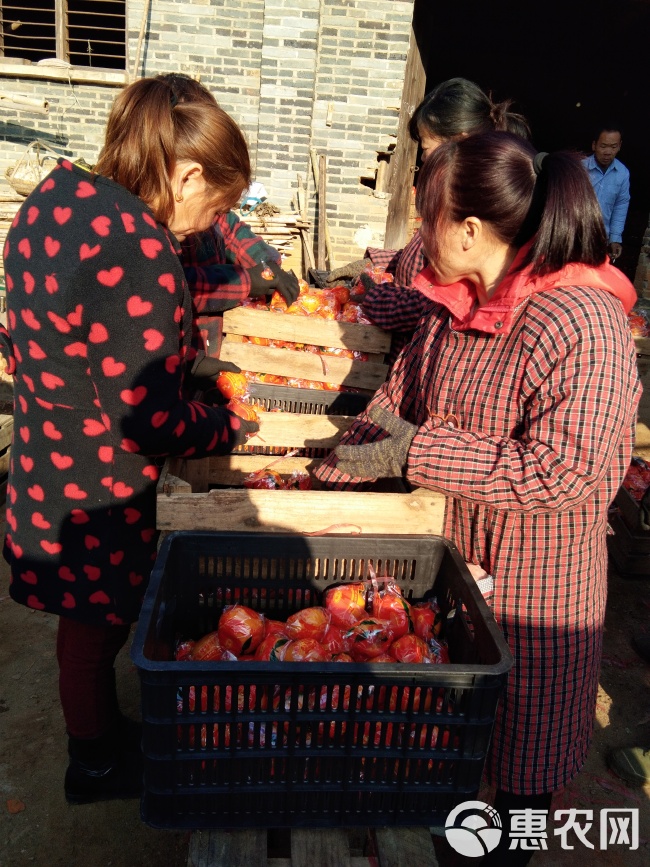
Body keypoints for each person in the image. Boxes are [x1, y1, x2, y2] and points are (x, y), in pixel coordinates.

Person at [315, 131, 640, 865]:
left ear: (467, 228)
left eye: (425, 216)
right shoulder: (453, 304)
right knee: (452, 747)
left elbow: (569, 471)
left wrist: (418, 450)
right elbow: (396, 405)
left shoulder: (580, 321)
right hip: (459, 565)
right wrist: (323, 473)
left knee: (522, 766)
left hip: (538, 591)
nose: (416, 235)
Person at [0, 76, 260, 805]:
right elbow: (146, 418)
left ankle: (102, 740)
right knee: (94, 626)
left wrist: (193, 365)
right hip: (96, 480)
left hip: (50, 451)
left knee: (87, 623)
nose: (208, 221)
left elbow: (69, 336)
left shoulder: (57, 200)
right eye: (216, 203)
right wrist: (224, 424)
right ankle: (94, 762)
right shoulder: (136, 247)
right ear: (185, 174)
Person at [325, 77, 530, 362]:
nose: (422, 159)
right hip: (408, 358)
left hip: (427, 354)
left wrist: (376, 298)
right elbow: (423, 257)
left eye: (425, 147)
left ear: (457, 141)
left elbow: (437, 300)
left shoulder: (480, 206)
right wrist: (378, 261)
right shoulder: (450, 201)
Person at [157, 73, 300, 379]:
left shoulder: (201, 204)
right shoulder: (154, 222)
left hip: (207, 344)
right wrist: (244, 281)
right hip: (177, 352)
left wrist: (266, 264)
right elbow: (172, 286)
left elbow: (230, 227)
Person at [582, 125, 631, 264]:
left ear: (620, 146)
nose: (608, 152)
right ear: (594, 145)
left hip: (601, 241)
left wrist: (615, 238)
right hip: (575, 236)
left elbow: (620, 206)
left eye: (613, 146)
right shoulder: (580, 168)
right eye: (603, 146)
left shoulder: (622, 173)